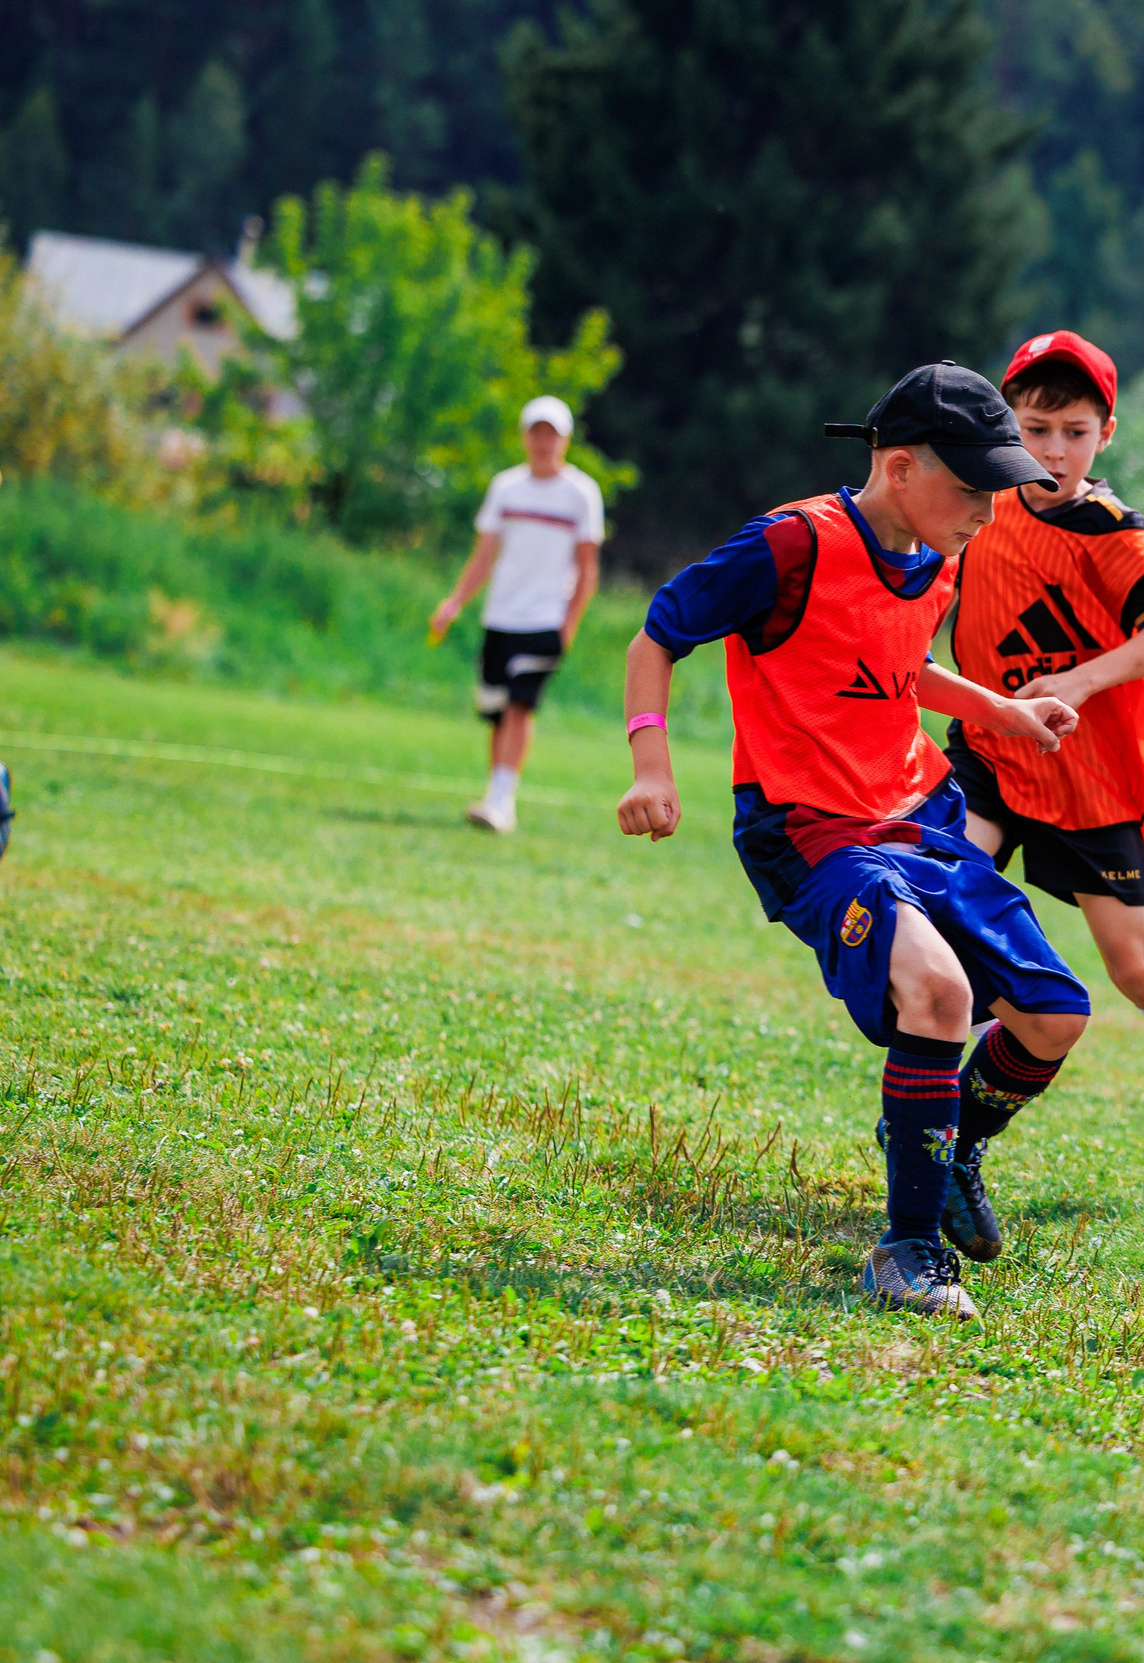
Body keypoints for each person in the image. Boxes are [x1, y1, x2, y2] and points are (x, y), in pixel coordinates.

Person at [615, 362, 1093, 1320]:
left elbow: (898, 663)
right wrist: (652, 767)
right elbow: (657, 635)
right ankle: (908, 1249)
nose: (987, 512)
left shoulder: (935, 551)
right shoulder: (791, 545)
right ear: (900, 464)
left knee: (1053, 1016)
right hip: (809, 823)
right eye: (971, 490)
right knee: (941, 992)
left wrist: (1000, 708)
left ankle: (943, 1145)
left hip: (920, 811)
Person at [945, 330, 1144, 1218]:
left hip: (1092, 777)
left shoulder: (1109, 531)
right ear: (1007, 420)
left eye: (1074, 432)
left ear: (1105, 436)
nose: (1052, 449)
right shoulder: (980, 500)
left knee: (1135, 967)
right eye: (1036, 425)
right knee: (937, 901)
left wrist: (1078, 680)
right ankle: (939, 1125)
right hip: (994, 749)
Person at [433, 396, 608, 835]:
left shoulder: (581, 493)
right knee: (495, 710)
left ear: (565, 440)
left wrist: (569, 625)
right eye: (536, 432)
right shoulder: (506, 488)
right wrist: (455, 601)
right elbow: (485, 554)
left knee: (520, 705)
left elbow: (587, 567)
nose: (543, 442)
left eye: (552, 433)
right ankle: (497, 793)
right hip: (500, 616)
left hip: (545, 618)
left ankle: (502, 802)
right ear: (524, 437)